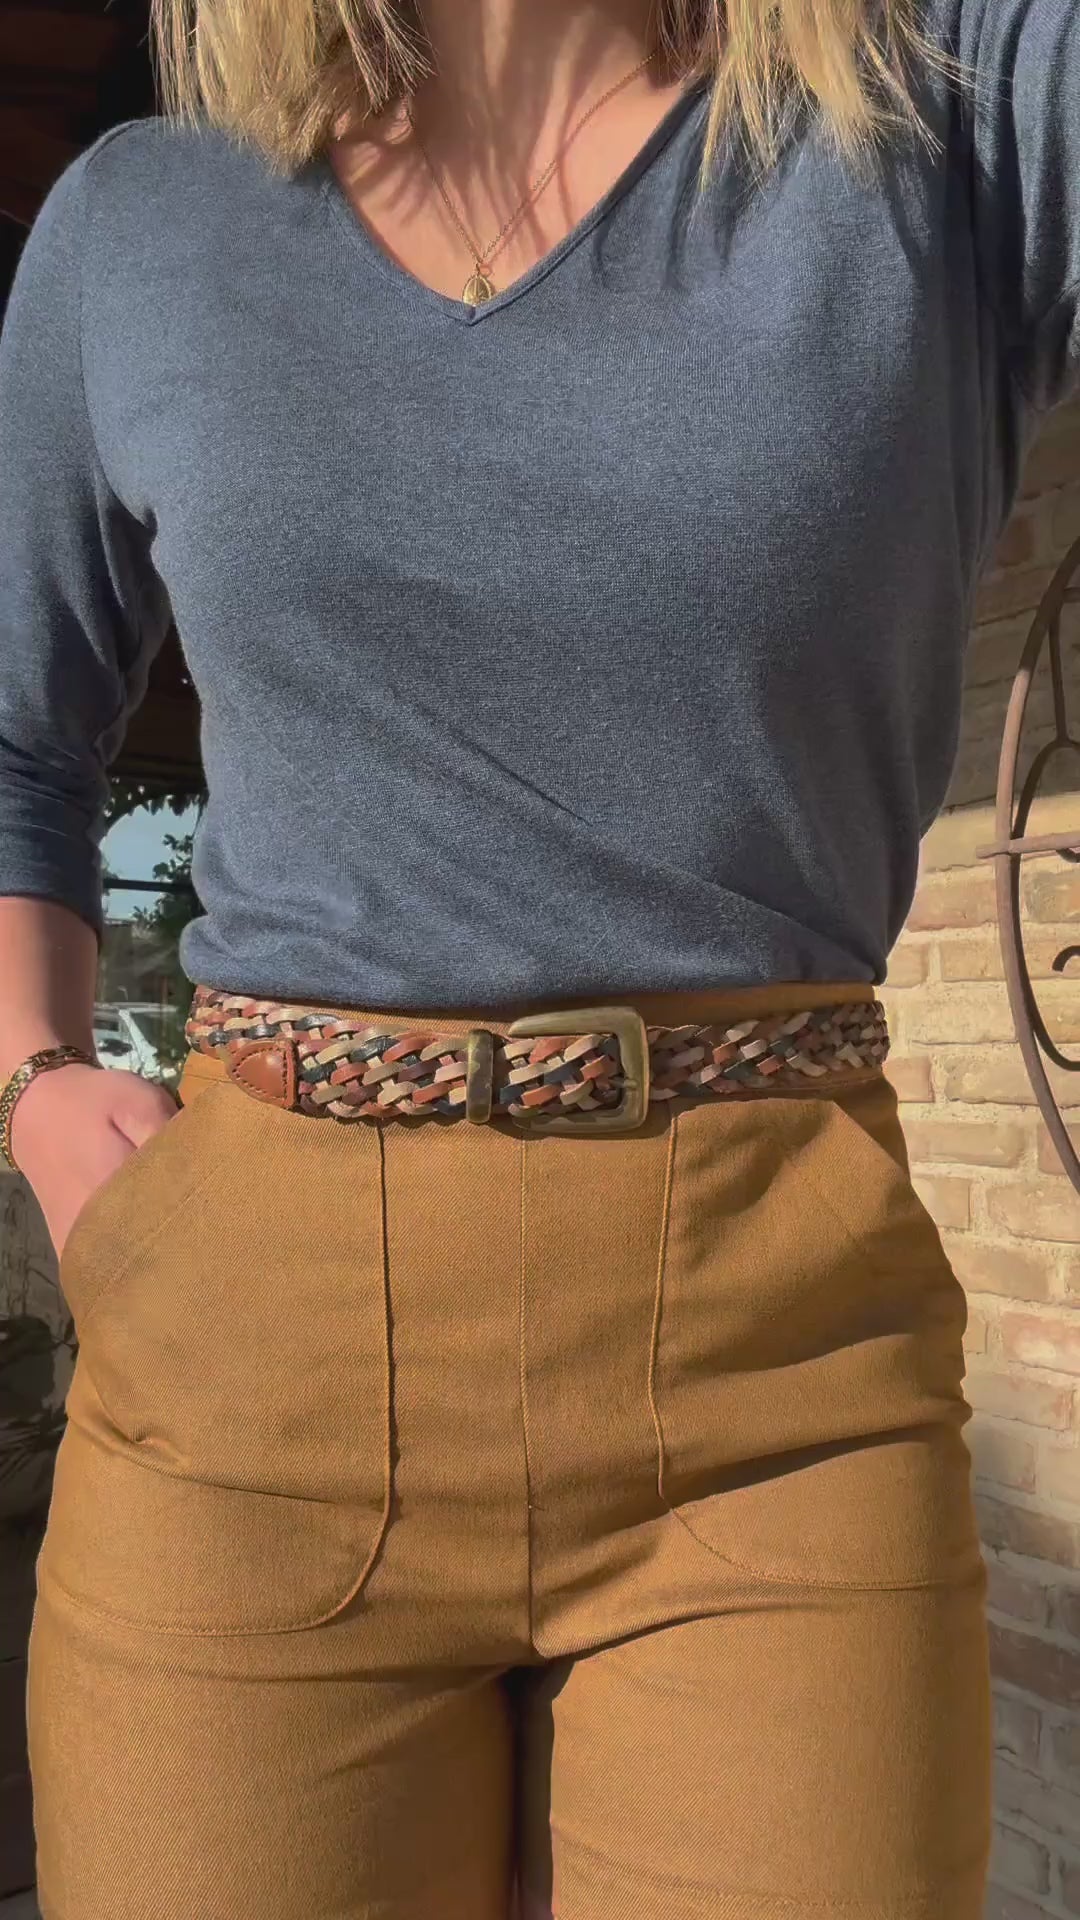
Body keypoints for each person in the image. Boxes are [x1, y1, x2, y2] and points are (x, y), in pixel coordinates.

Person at [0, 0, 1076, 1913]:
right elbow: (17, 736)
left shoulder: (951, 106)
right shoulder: (143, 220)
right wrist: (37, 1080)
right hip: (248, 1355)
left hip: (778, 1379)